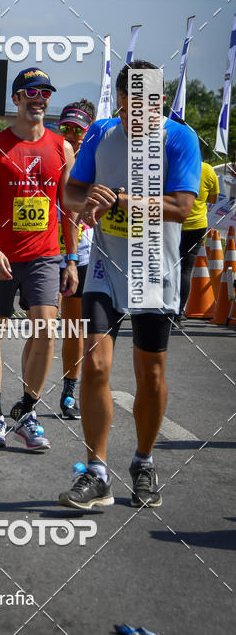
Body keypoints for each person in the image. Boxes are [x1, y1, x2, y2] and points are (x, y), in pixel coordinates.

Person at [58, 60, 200, 511]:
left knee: (150, 372)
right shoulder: (101, 134)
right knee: (96, 366)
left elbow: (180, 206)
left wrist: (119, 198)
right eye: (131, 104)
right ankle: (96, 472)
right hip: (104, 264)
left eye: (150, 103)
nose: (140, 112)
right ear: (119, 101)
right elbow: (71, 193)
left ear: (160, 101)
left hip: (153, 269)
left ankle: (143, 461)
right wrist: (86, 202)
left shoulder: (179, 138)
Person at [0, 67, 78, 451]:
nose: (39, 98)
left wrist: (71, 259)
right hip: (0, 255)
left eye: (45, 92)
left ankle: (28, 411)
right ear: (16, 99)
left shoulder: (61, 147)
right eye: (31, 92)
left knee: (46, 330)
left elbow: (68, 208)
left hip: (45, 255)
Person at [56, 100, 96, 420]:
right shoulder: (47, 154)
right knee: (40, 324)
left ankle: (69, 391)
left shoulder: (97, 162)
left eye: (77, 130)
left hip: (80, 255)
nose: (70, 135)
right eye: (65, 128)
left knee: (73, 327)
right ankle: (29, 394)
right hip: (42, 252)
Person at [178, 154, 219, 320]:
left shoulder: (175, 166)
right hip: (196, 225)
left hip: (173, 224)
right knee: (186, 269)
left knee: (166, 267)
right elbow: (214, 198)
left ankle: (160, 309)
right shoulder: (208, 169)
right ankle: (178, 313)